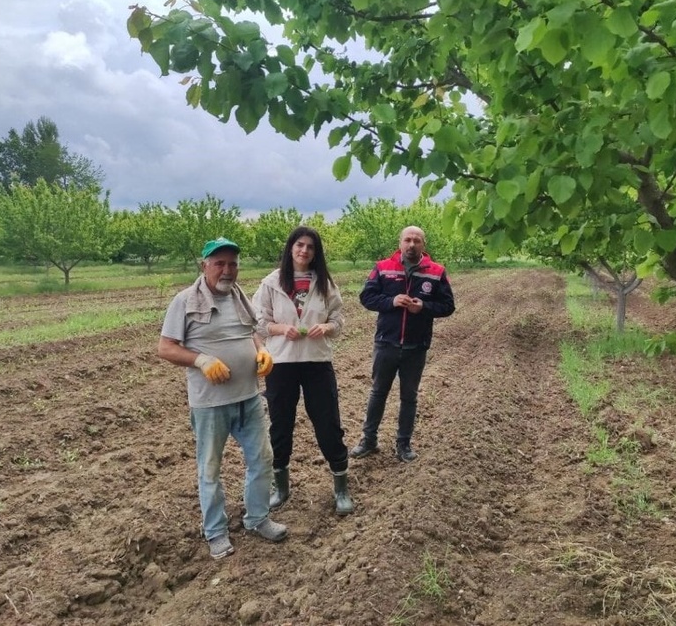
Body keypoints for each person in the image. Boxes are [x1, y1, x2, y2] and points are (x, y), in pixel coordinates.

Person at [157, 237, 287, 560]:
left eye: (232, 264)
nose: (227, 270)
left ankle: (258, 518)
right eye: (219, 264)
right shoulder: (185, 301)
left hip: (249, 397)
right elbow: (166, 347)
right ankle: (215, 532)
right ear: (205, 266)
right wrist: (201, 360)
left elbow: (251, 331)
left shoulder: (241, 299)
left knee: (263, 459)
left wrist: (262, 350)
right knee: (210, 469)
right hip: (210, 404)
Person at [252, 226, 354, 516]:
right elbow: (259, 323)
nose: (304, 251)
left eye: (310, 247)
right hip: (281, 363)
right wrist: (282, 328)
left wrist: (329, 327)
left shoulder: (324, 284)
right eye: (299, 245)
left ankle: (341, 487)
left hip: (316, 362)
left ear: (315, 252)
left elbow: (338, 318)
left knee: (328, 423)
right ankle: (280, 486)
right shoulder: (271, 283)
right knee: (280, 425)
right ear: (290, 248)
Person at [350, 226, 456, 463]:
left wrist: (424, 307)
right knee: (378, 393)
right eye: (407, 240)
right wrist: (392, 301)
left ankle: (403, 444)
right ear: (400, 243)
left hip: (416, 346)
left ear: (423, 245)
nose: (411, 244)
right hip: (386, 343)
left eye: (416, 240)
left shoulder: (436, 272)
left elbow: (448, 306)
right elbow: (366, 297)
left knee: (409, 397)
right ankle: (369, 440)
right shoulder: (382, 268)